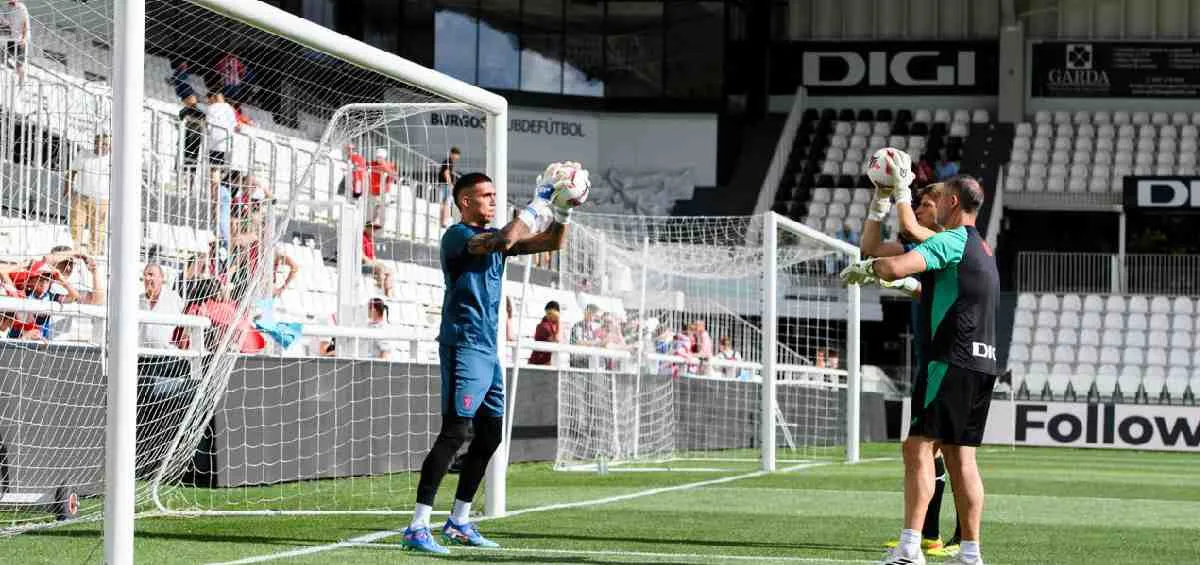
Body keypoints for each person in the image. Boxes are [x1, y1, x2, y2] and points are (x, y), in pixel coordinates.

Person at [401, 163, 583, 554]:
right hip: (463, 346)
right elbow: (502, 241)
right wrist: (540, 200)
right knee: (454, 434)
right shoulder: (458, 236)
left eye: (495, 196)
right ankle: (417, 527)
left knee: (490, 435)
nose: (493, 200)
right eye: (486, 196)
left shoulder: (494, 237)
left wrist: (564, 209)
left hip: (488, 350)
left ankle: (459, 521)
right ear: (465, 202)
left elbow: (554, 242)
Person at [842, 175, 999, 565]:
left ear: (953, 203)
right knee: (962, 458)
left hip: (950, 359)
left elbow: (894, 266)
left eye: (940, 198)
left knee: (917, 447)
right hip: (982, 362)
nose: (936, 204)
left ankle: (910, 548)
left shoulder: (950, 239)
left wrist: (874, 268)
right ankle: (970, 554)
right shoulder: (982, 246)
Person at [863, 183, 961, 557]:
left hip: (950, 359)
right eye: (917, 203)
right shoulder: (925, 249)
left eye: (925, 203)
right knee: (936, 452)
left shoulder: (948, 242)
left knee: (948, 452)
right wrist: (878, 202)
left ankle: (957, 539)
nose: (918, 210)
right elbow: (871, 248)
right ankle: (930, 535)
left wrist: (900, 186)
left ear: (944, 207)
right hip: (930, 358)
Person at [65, 134, 111, 254]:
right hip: (81, 196)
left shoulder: (113, 160)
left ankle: (93, 254)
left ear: (110, 146)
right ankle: (76, 250)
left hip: (101, 200)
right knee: (76, 225)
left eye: (105, 144)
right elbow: (71, 171)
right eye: (98, 143)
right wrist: (67, 188)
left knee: (97, 230)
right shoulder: (84, 155)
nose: (100, 146)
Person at [179, 94, 207, 191]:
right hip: (185, 140)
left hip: (195, 142)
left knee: (192, 166)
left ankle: (189, 187)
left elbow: (203, 121)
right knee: (183, 164)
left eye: (193, 99)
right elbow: (182, 118)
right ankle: (182, 185)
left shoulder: (201, 112)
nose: (192, 100)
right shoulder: (184, 111)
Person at [367, 147, 398, 227]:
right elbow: (365, 168)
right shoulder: (372, 164)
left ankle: (380, 225)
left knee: (382, 209)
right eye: (377, 157)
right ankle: (370, 223)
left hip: (384, 191)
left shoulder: (389, 165)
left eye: (380, 157)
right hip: (373, 190)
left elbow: (394, 176)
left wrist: (385, 168)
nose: (378, 159)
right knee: (372, 210)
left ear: (384, 158)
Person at [569, 303, 603, 368]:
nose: (596, 317)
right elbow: (579, 342)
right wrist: (595, 342)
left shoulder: (591, 328)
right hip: (577, 361)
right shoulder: (578, 326)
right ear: (588, 313)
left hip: (587, 361)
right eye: (594, 314)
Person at [528, 300, 560, 366]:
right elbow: (556, 339)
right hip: (539, 363)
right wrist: (558, 322)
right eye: (548, 313)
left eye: (551, 314)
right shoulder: (543, 326)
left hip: (547, 362)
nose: (549, 316)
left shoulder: (553, 325)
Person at [4, 0, 29, 84]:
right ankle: (13, 71)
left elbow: (25, 23)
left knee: (19, 65)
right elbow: (6, 23)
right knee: (2, 57)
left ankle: (22, 82)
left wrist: (24, 38)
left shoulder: (21, 7)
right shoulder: (7, 7)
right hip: (10, 39)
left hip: (19, 40)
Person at [439, 146, 461, 227]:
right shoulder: (449, 162)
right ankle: (445, 221)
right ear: (452, 154)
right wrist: (450, 184)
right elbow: (446, 173)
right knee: (447, 203)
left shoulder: (447, 161)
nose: (457, 158)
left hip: (443, 184)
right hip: (446, 185)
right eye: (457, 155)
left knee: (444, 203)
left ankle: (442, 221)